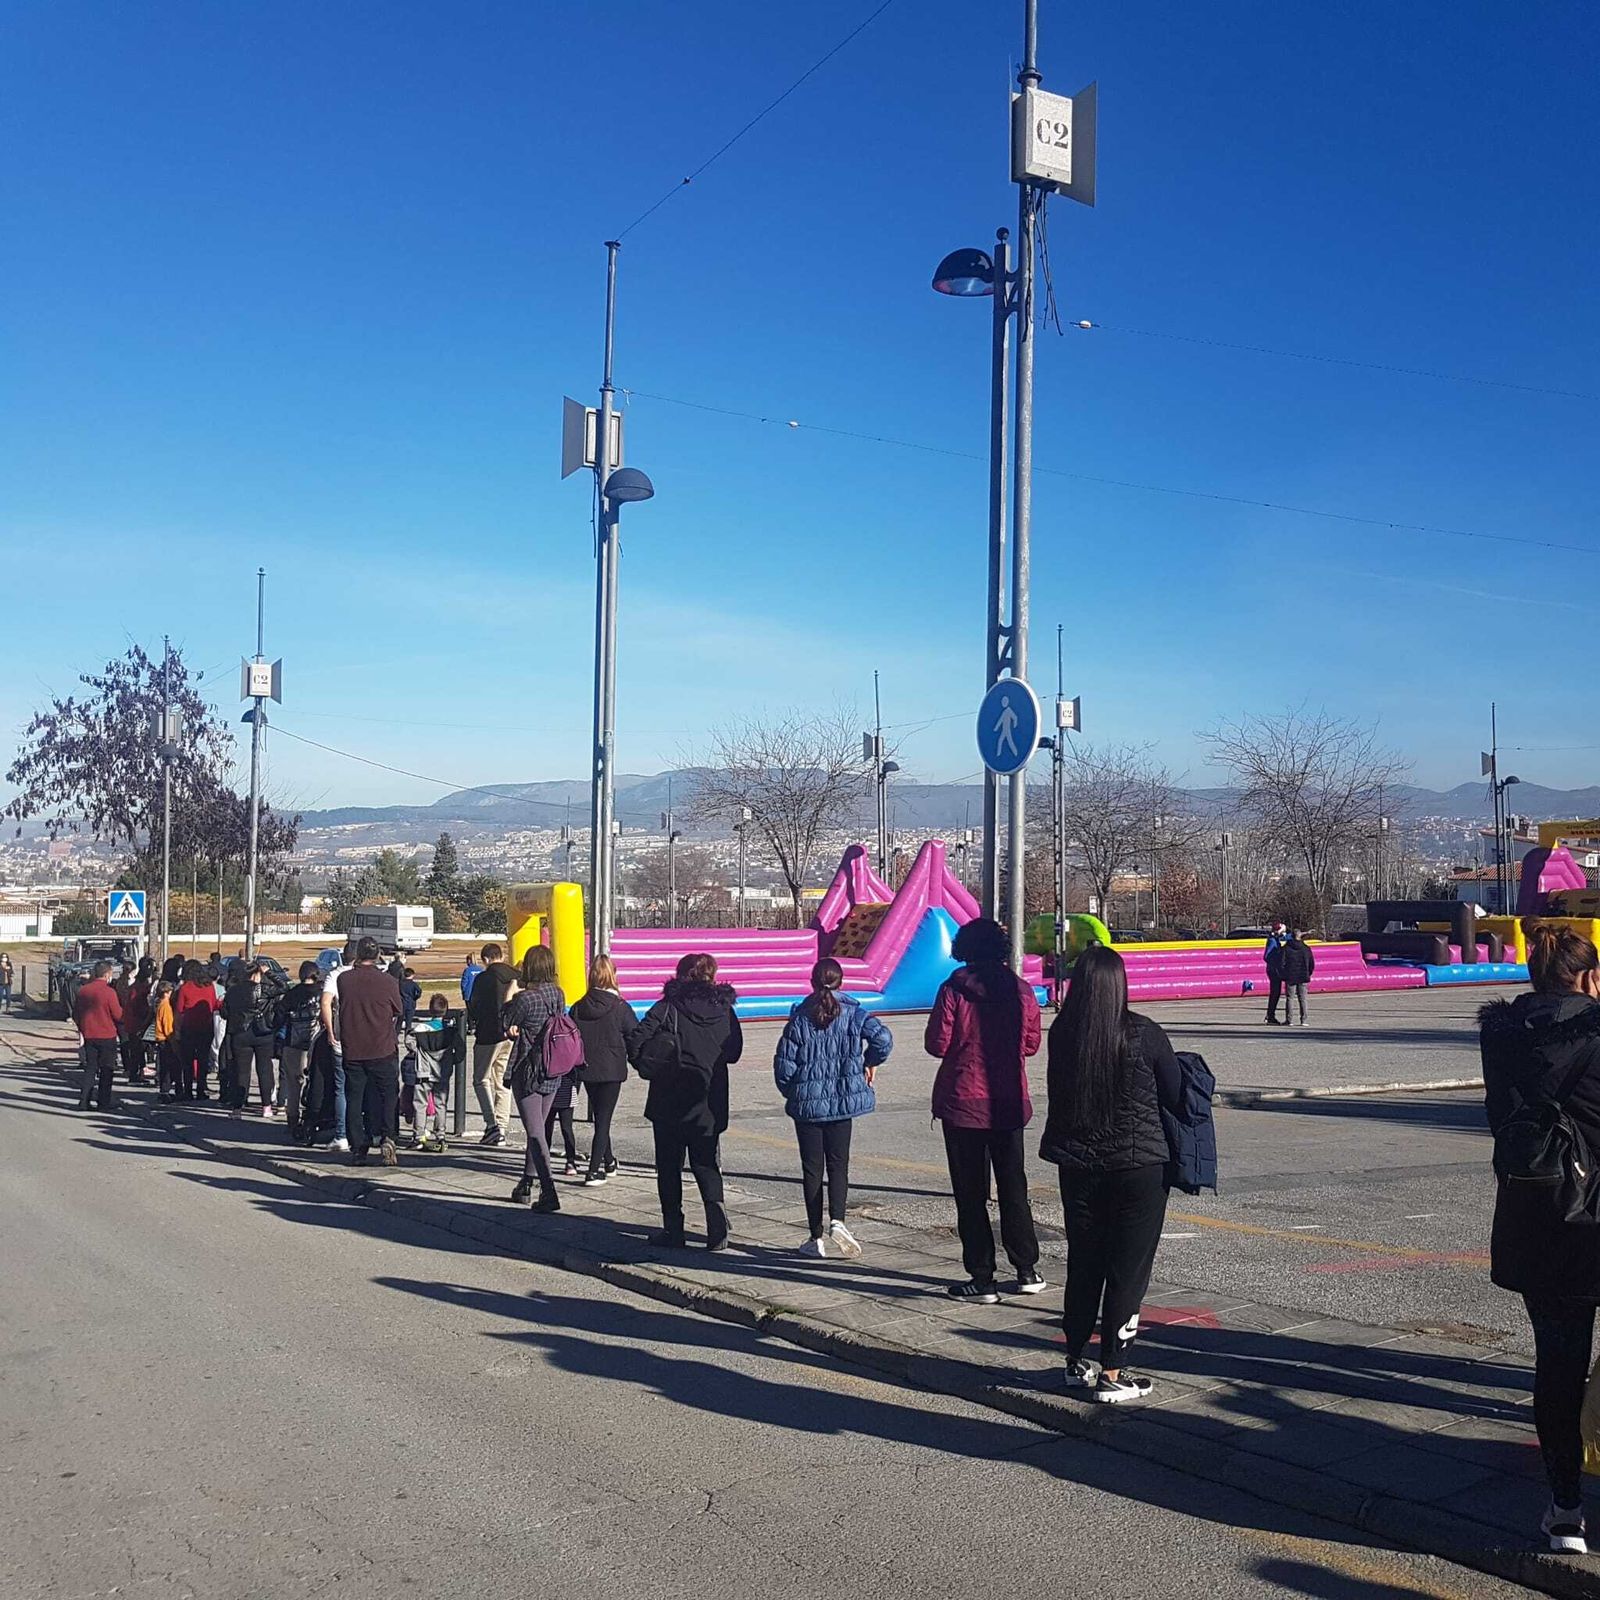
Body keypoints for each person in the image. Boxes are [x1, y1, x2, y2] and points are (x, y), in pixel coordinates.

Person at [1480, 922, 1600, 1554]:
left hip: (1538, 1215)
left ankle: (1565, 1511)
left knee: (1558, 1367)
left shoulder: (1501, 1039)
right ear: (1590, 978)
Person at [1041, 944, 1182, 1404]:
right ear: (1121, 985)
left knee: (1085, 1260)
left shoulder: (1064, 1032)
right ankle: (1114, 1370)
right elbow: (1175, 1092)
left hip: (1078, 1164)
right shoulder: (1144, 1033)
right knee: (1128, 1269)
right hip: (1138, 1167)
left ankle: (1074, 1358)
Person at [925, 917, 1046, 1302]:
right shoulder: (1022, 991)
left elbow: (937, 1044)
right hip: (1008, 1100)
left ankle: (982, 1277)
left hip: (963, 1101)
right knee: (1014, 1187)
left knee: (970, 1193)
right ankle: (1027, 1268)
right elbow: (1030, 1045)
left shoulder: (954, 990)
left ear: (965, 949)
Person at [773, 956, 892, 1258]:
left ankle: (815, 1236)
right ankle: (838, 1220)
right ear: (841, 982)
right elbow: (884, 1039)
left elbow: (784, 1066)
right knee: (839, 1165)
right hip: (842, 1101)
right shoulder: (855, 1013)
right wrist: (869, 1062)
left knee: (812, 1169)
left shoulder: (800, 1018)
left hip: (807, 1106)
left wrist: (795, 1091)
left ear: (812, 982)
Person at [628, 952, 742, 1251]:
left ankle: (673, 1229)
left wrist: (651, 1063)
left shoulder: (668, 1007)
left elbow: (637, 1040)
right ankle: (716, 1228)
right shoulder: (725, 1009)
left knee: (669, 1167)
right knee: (706, 1164)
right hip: (708, 1098)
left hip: (668, 1098)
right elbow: (734, 1051)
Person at [501, 945, 569, 1212]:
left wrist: (511, 993)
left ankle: (549, 1190)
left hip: (528, 1069)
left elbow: (505, 1023)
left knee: (535, 1130)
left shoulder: (525, 999)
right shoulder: (558, 994)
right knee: (538, 1126)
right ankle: (526, 1182)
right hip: (553, 1067)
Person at [570, 955, 636, 1186]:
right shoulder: (620, 1007)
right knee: (604, 1119)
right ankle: (594, 1170)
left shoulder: (578, 1007)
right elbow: (634, 1036)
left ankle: (609, 1161)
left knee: (600, 1114)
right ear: (612, 975)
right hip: (612, 1069)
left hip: (587, 1067)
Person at [337, 937, 403, 1166]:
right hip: (382, 1046)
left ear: (357, 955)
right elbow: (398, 1008)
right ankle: (388, 1137)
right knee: (388, 1096)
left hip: (353, 1048)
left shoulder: (344, 979)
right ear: (376, 956)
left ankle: (358, 1147)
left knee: (355, 1099)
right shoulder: (387, 981)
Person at [465, 941, 519, 1148]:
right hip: (509, 1035)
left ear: (486, 959)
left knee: (481, 1079)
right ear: (502, 956)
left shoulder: (483, 978)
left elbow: (475, 1007)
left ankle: (491, 1124)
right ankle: (502, 1127)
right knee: (502, 1081)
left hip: (488, 1034)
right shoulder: (515, 975)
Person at [276, 961, 323, 1141]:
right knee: (315, 1082)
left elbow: (279, 1017)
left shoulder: (291, 994)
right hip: (315, 1044)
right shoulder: (321, 993)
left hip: (293, 1043)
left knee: (294, 1083)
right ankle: (312, 1116)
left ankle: (292, 1119)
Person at [223, 959, 278, 1116]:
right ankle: (266, 1106)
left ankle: (237, 1108)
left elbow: (225, 1012)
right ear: (256, 974)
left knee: (242, 1071)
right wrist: (269, 972)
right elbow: (283, 987)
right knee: (265, 1069)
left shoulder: (233, 990)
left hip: (241, 1032)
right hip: (262, 1032)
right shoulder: (264, 990)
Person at [317, 944, 355, 1153]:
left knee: (341, 1088)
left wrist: (330, 1030)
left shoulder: (336, 975)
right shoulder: (367, 975)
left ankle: (341, 1135)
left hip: (342, 1036)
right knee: (360, 1086)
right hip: (366, 1040)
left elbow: (325, 1003)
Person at [410, 992, 458, 1151]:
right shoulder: (450, 1030)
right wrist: (454, 1059)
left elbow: (408, 1041)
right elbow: (461, 1048)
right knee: (441, 1104)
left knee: (420, 1104)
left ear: (430, 1010)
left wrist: (417, 1051)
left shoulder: (421, 1028)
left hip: (424, 1070)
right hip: (442, 1071)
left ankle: (419, 1135)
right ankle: (441, 1134)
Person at [73, 959, 123, 1112]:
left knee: (90, 1068)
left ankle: (84, 1100)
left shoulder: (84, 991)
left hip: (89, 1034)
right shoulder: (109, 992)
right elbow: (118, 1014)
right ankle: (103, 1101)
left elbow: (76, 1013)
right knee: (107, 1069)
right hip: (107, 1034)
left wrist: (83, 1027)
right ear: (108, 974)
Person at [175, 958, 221, 1100]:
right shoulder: (209, 986)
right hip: (206, 1028)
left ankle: (188, 1090)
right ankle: (201, 1089)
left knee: (187, 1061)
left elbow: (179, 1010)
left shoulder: (185, 988)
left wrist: (176, 1029)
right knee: (203, 1060)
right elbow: (213, 1006)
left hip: (188, 1028)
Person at [1278, 931, 1316, 1026]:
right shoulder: (1306, 949)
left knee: (1290, 998)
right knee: (1303, 998)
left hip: (1290, 976)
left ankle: (1289, 1020)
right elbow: (1311, 964)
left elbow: (1281, 963)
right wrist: (1308, 973)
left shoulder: (1286, 948)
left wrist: (1283, 974)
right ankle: (1303, 1020)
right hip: (1303, 975)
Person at [152, 980, 179, 1102]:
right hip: (166, 1039)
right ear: (167, 992)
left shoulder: (159, 1004)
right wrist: (173, 1041)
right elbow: (168, 1027)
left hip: (160, 1038)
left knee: (164, 1066)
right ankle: (165, 1091)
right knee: (168, 1067)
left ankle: (164, 1090)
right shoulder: (166, 1006)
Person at [1263, 919, 1289, 1025]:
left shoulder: (1275, 939)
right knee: (1275, 993)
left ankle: (1270, 1015)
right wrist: (1277, 960)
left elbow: (1289, 937)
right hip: (1273, 970)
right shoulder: (1272, 941)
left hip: (1274, 969)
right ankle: (1270, 1015)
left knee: (1276, 993)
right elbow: (1266, 956)